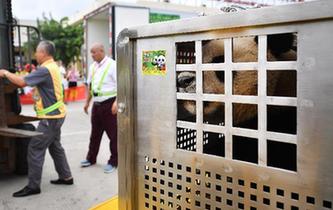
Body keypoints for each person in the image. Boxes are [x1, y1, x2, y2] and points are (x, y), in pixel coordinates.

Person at [0, 40, 73, 197]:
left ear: (44, 53)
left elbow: (20, 82)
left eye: (37, 52)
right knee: (55, 146)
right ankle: (66, 176)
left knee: (35, 147)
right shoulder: (52, 67)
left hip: (51, 117)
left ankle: (33, 186)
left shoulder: (45, 69)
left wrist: (5, 73)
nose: (35, 54)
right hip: (57, 114)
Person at [81, 43, 117, 174]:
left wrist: (117, 102)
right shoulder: (93, 67)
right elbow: (91, 87)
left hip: (109, 104)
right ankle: (91, 159)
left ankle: (114, 161)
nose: (91, 55)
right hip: (96, 105)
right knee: (95, 134)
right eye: (91, 52)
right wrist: (87, 103)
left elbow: (121, 85)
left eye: (94, 52)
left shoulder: (112, 65)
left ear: (102, 51)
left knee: (114, 135)